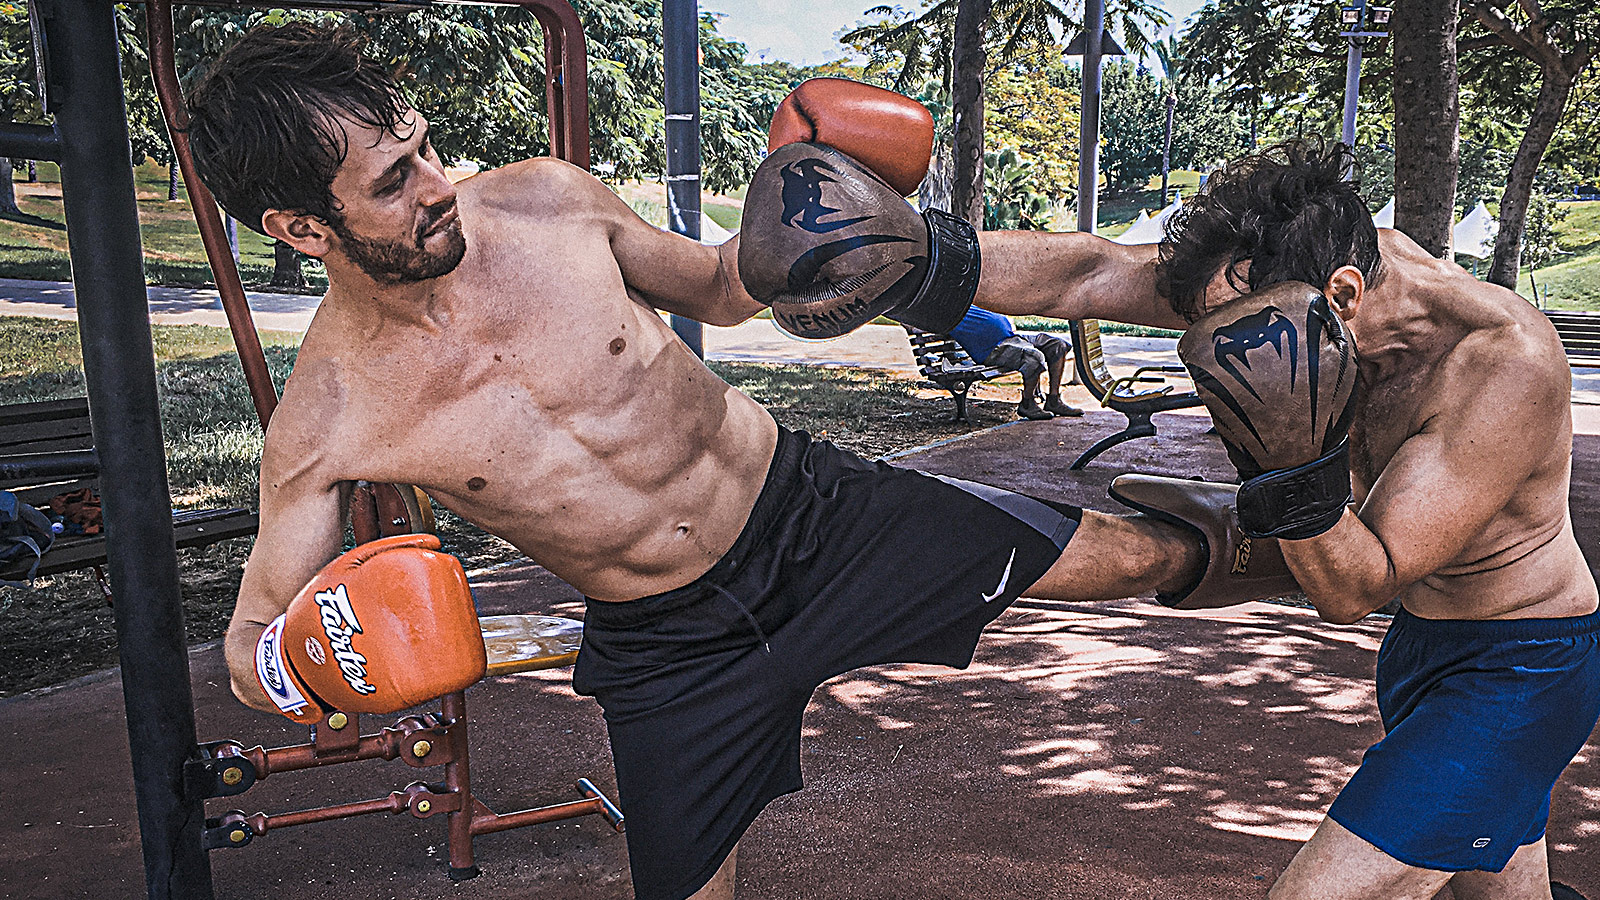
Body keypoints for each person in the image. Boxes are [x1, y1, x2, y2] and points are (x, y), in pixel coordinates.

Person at [186, 29, 1286, 900]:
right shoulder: (326, 417)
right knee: (682, 886)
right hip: (668, 643)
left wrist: (807, 202)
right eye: (392, 180)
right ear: (299, 226)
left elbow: (720, 287)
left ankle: (1338, 556)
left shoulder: (546, 200)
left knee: (1109, 557)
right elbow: (251, 644)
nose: (435, 182)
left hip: (807, 514)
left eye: (425, 145)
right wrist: (306, 666)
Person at [790, 137, 1599, 900]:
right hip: (1422, 650)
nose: (1230, 361)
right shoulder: (1282, 285)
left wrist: (1289, 465)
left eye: (1242, 347)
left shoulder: (1498, 367)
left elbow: (1358, 584)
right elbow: (1089, 270)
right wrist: (920, 257)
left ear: (1346, 296)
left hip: (1521, 670)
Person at [946, 306, 1082, 420]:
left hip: (1010, 336)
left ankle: (1054, 400)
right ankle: (1028, 404)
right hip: (993, 349)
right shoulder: (946, 310)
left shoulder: (970, 298)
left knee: (1058, 345)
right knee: (1033, 357)